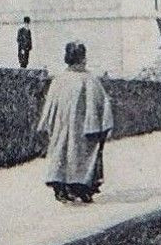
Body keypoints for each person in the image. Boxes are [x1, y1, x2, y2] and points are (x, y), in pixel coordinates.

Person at [37, 41, 115, 204]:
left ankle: (61, 187)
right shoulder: (90, 80)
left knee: (61, 153)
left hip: (61, 126)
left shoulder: (59, 80)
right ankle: (80, 188)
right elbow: (102, 105)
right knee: (81, 156)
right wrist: (101, 127)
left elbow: (50, 107)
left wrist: (49, 124)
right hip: (82, 129)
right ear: (83, 58)